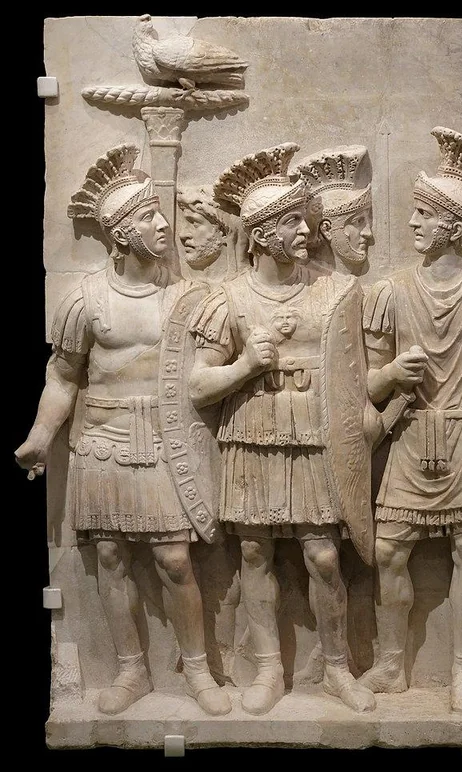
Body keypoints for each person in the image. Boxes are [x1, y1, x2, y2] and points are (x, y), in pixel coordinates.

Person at [15, 144, 230, 716]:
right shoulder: (85, 300)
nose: (163, 225)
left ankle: (198, 668)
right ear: (121, 232)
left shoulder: (186, 298)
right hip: (103, 444)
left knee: (175, 559)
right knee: (110, 558)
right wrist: (40, 435)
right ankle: (131, 668)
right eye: (148, 216)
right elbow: (63, 376)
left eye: (160, 214)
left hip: (165, 442)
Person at [189, 142, 379, 715]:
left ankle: (338, 667)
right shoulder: (228, 299)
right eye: (293, 221)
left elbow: (356, 375)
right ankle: (269, 668)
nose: (307, 231)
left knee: (323, 556)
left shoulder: (335, 291)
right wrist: (247, 365)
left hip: (316, 435)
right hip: (253, 430)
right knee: (254, 552)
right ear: (261, 233)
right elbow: (197, 384)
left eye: (305, 219)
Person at [359, 127, 462, 713]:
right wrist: (393, 371)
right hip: (409, 430)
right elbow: (367, 386)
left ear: (454, 226)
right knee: (389, 550)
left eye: (424, 214)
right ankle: (392, 664)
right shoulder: (390, 292)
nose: (412, 223)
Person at [294, 145, 374, 275]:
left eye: (369, 219)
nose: (368, 233)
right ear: (326, 229)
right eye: (358, 221)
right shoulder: (309, 281)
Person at [177, 185, 251, 279]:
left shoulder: (246, 286)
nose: (182, 234)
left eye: (195, 224)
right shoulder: (180, 285)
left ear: (223, 231)